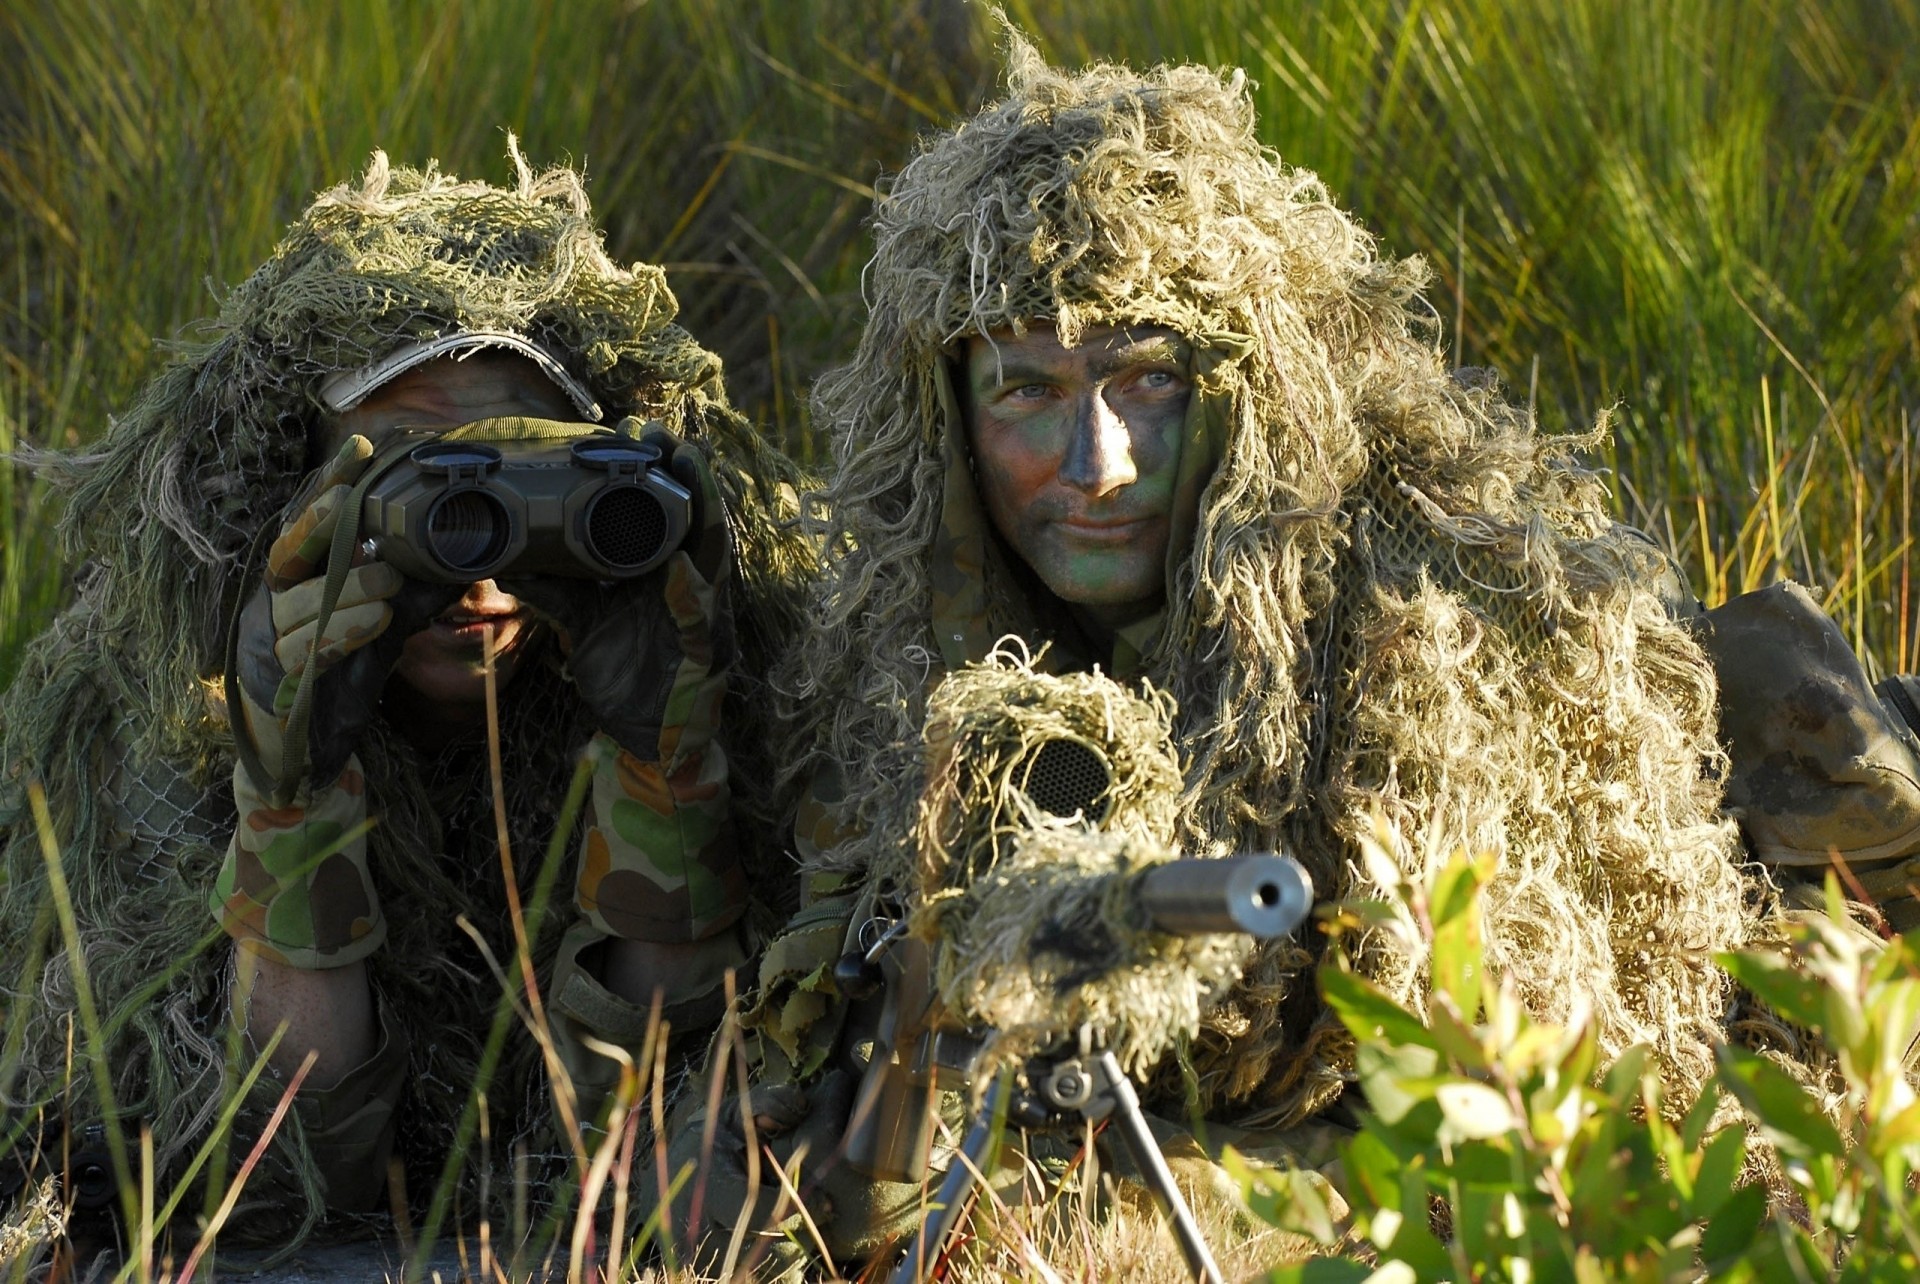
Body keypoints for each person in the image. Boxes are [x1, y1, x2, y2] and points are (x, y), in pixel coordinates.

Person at [693, 37, 1765, 1269]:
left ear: (1248, 395)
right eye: (1026, 391)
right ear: (943, 417)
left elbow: (1514, 1148)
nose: (1096, 466)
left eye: (1146, 379)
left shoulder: (1430, 642)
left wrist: (1126, 1193)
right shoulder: (888, 657)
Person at [0, 147, 806, 1247]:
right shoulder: (149, 724)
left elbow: (655, 1165)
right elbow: (275, 1192)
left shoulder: (712, 675)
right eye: (428, 493)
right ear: (297, 498)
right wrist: (290, 799)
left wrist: (670, 770)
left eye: (529, 487)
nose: (477, 571)